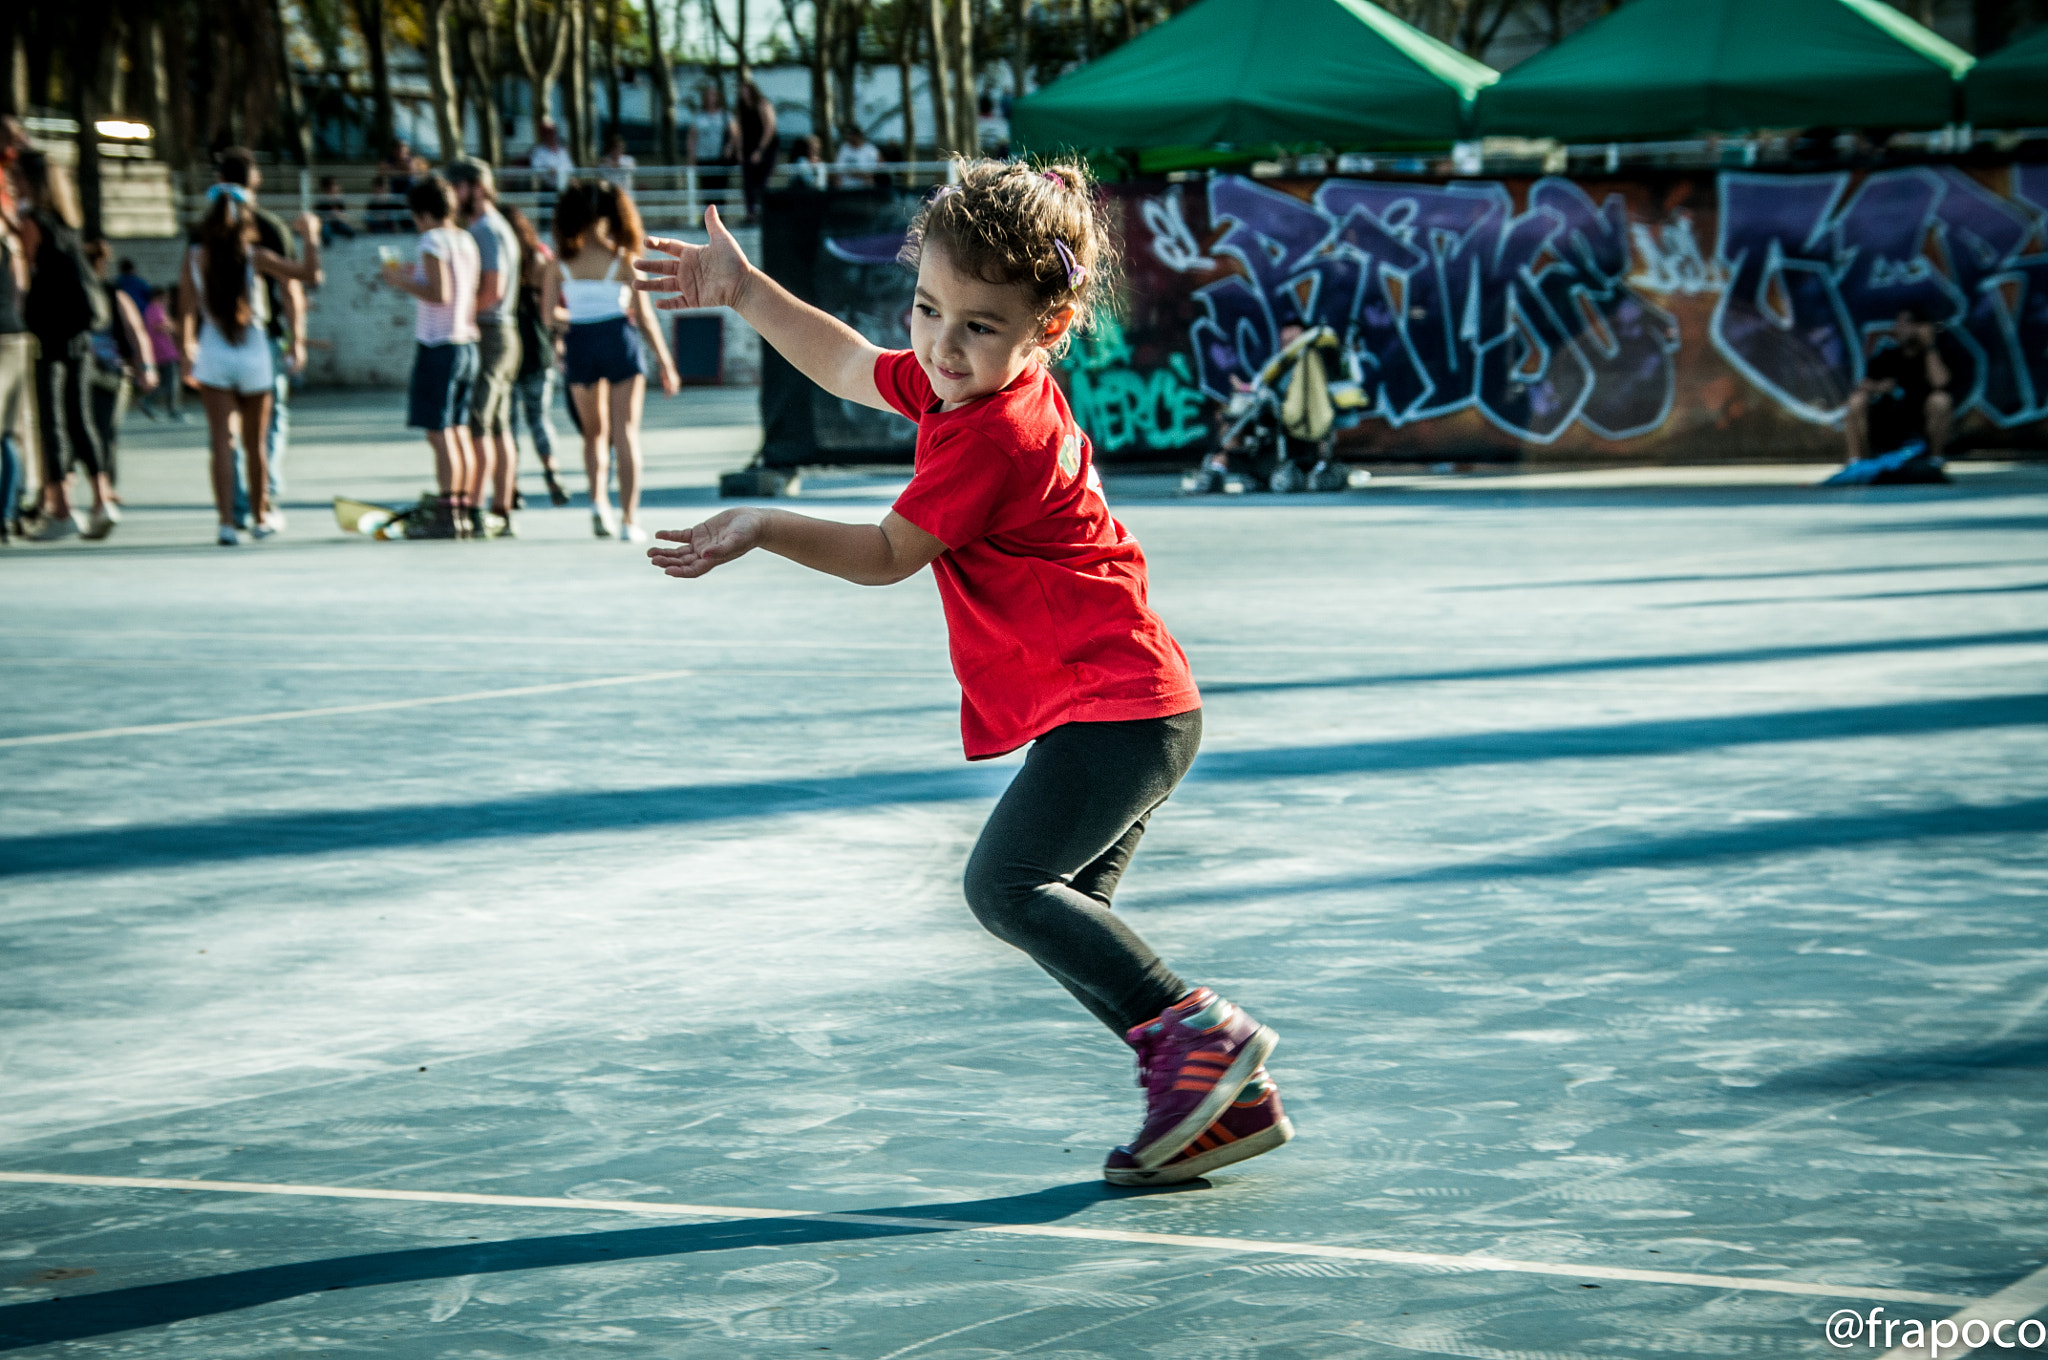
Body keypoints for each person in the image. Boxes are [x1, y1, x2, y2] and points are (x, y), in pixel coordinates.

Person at [632, 163, 1291, 1187]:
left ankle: (1201, 1039)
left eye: (978, 324)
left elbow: (888, 554)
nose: (940, 343)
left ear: (1050, 325)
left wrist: (760, 524)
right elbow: (851, 363)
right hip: (1129, 707)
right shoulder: (970, 385)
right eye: (928, 307)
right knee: (1069, 920)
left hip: (1115, 710)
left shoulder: (993, 431)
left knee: (1006, 887)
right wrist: (745, 289)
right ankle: (1218, 1098)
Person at [178, 185, 322, 546]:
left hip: (212, 349)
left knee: (221, 442)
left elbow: (186, 311)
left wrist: (186, 355)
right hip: (254, 349)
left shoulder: (195, 257)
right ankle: (260, 517)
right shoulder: (254, 256)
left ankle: (227, 523)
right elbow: (309, 275)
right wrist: (311, 237)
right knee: (255, 443)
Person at [542, 179, 678, 541]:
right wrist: (666, 362)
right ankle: (629, 520)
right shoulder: (624, 261)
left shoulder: (560, 264)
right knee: (626, 433)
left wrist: (579, 318)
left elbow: (548, 317)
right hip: (619, 340)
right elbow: (644, 316)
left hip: (580, 344)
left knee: (593, 435)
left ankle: (597, 503)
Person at [20, 150, 118, 542]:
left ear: (30, 182)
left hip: (48, 331)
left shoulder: (32, 222)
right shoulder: (67, 222)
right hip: (78, 332)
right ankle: (102, 498)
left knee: (51, 420)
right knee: (82, 418)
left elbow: (26, 276)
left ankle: (62, 510)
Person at [212, 147, 308, 533]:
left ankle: (234, 505)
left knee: (227, 429)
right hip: (262, 338)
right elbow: (292, 287)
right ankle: (262, 496)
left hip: (215, 338)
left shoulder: (205, 229)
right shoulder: (267, 226)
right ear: (256, 181)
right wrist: (297, 338)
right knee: (269, 422)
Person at [381, 174, 482, 538]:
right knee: (457, 430)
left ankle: (446, 512)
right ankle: (463, 508)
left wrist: (399, 281)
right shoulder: (465, 239)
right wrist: (414, 274)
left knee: (439, 435)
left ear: (422, 212)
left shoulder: (432, 239)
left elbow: (439, 293)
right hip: (466, 341)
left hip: (439, 343)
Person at [447, 157, 523, 531]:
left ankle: (474, 508)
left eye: (455, 187)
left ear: (476, 188)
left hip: (492, 333)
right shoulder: (497, 227)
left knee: (478, 421)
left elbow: (494, 289)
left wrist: (459, 318)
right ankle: (500, 508)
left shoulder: (486, 230)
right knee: (497, 425)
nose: (451, 195)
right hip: (505, 334)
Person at [83, 238, 159, 523]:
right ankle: (106, 487)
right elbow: (137, 332)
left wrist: (147, 366)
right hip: (114, 371)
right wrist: (146, 367)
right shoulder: (115, 293)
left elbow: (136, 331)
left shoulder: (100, 293)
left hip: (96, 372)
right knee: (105, 432)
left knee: (90, 430)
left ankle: (100, 489)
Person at [505, 205, 570, 507]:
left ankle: (511, 486)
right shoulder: (541, 258)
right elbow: (555, 306)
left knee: (506, 424)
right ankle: (551, 473)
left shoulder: (498, 259)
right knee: (539, 418)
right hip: (538, 345)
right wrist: (559, 340)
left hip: (506, 347)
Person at [1845, 305, 1952, 470]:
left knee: (1941, 400)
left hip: (1920, 424)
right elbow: (1863, 383)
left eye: (1905, 324)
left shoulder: (1934, 354)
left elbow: (1940, 382)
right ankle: (1857, 463)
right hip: (1887, 421)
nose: (1898, 329)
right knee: (1856, 400)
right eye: (1898, 324)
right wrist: (1879, 386)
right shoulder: (1888, 355)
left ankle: (1934, 461)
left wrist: (1929, 345)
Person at [0, 120, 34, 544]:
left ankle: (9, 509)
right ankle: (9, 511)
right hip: (16, 330)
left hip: (7, 329)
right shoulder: (17, 225)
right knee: (10, 430)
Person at [688, 82, 736, 214]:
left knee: (720, 189)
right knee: (706, 190)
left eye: (713, 95)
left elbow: (734, 134)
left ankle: (721, 216)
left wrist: (729, 147)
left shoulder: (725, 116)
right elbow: (692, 136)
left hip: (720, 157)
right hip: (703, 157)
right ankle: (707, 217)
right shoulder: (699, 117)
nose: (711, 99)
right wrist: (692, 156)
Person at [140, 286, 186, 421]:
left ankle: (168, 408)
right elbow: (161, 326)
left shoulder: (150, 309)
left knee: (168, 383)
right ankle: (153, 402)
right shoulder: (156, 309)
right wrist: (173, 326)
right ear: (158, 297)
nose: (167, 301)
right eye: (165, 298)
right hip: (164, 351)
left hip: (160, 351)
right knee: (170, 383)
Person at [735, 78, 777, 222]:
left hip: (765, 148)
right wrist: (739, 150)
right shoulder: (742, 109)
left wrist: (760, 150)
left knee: (762, 183)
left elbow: (770, 128)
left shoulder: (763, 104)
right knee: (747, 183)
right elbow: (739, 131)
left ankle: (764, 213)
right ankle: (751, 213)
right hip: (748, 148)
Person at [528, 116, 575, 195]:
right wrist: (548, 170)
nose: (550, 135)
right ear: (542, 134)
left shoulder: (562, 151)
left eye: (552, 132)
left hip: (566, 190)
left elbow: (571, 168)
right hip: (548, 189)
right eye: (547, 132)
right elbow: (536, 169)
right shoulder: (538, 152)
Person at [831, 124, 881, 190]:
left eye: (851, 134)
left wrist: (853, 173)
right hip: (845, 188)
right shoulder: (844, 148)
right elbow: (838, 169)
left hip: (864, 188)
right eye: (849, 134)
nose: (849, 137)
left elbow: (875, 171)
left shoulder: (870, 149)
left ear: (858, 135)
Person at [315, 175, 356, 242]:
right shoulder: (321, 201)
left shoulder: (339, 200)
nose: (337, 187)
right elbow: (319, 217)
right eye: (334, 185)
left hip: (337, 223)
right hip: (326, 224)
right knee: (326, 234)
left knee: (350, 231)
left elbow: (343, 216)